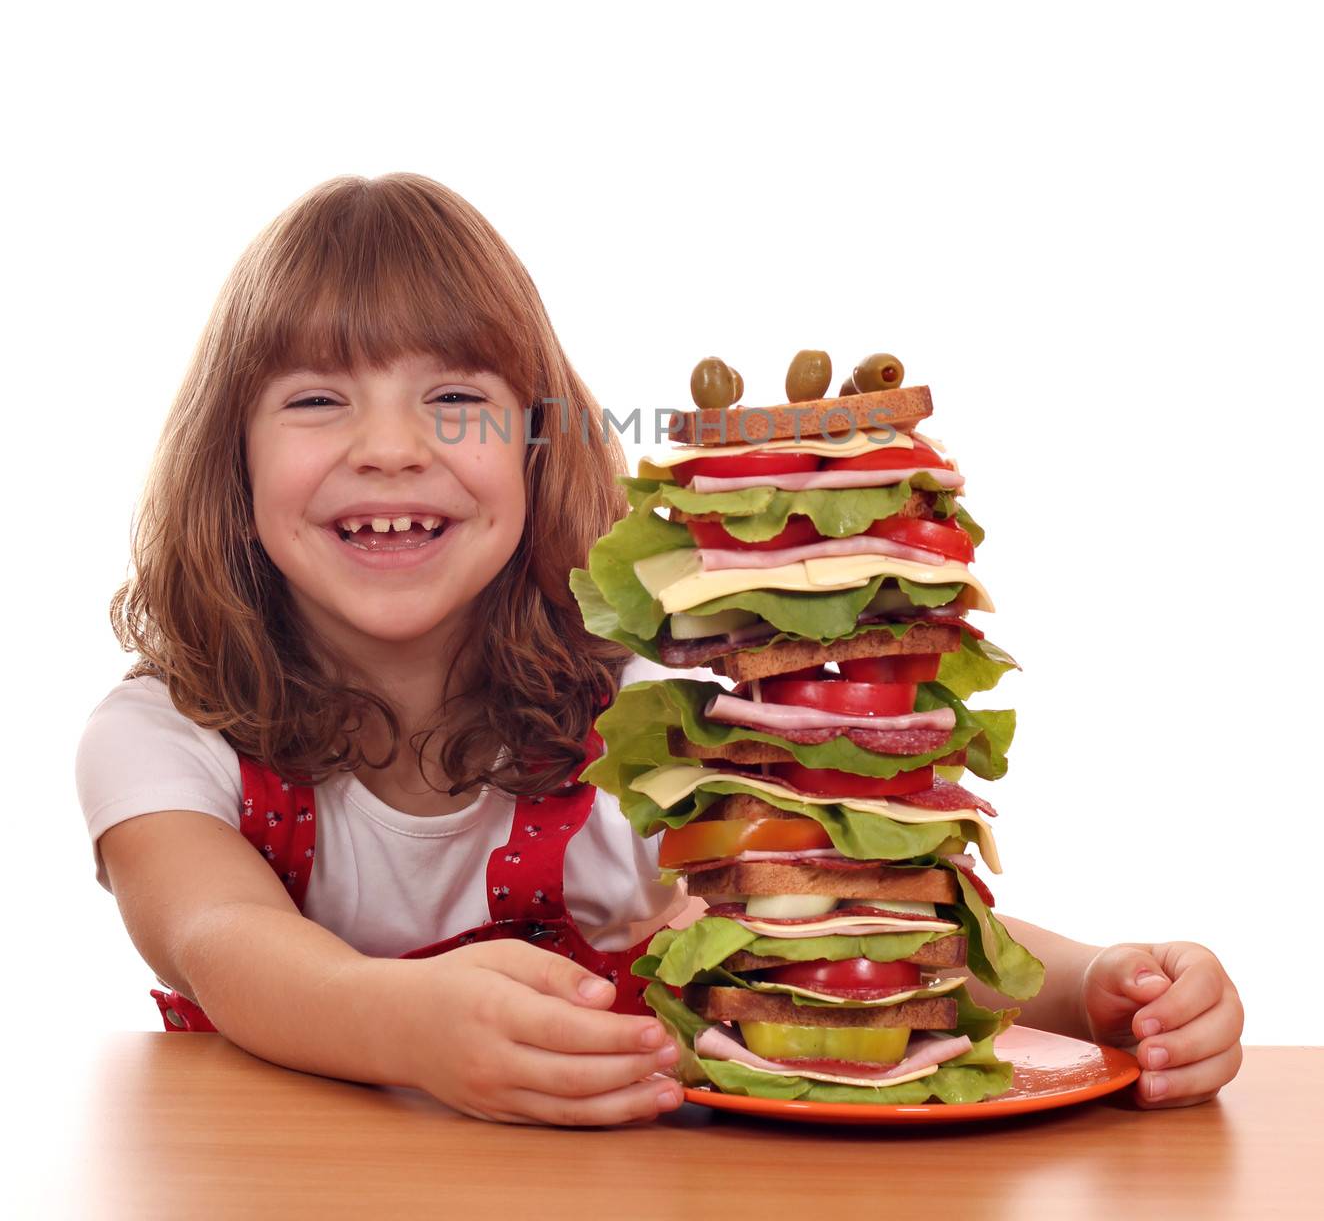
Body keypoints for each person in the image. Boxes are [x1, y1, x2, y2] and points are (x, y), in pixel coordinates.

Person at [75, 173, 1243, 1127]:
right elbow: (222, 943)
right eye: (317, 399)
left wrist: (1101, 985)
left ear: (538, 449)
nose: (389, 447)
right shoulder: (165, 734)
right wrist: (403, 1022)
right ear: (230, 459)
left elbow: (854, 921)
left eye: (455, 398)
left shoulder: (637, 730)